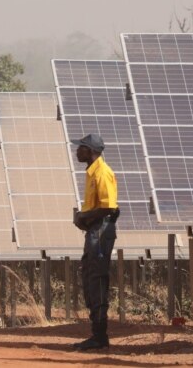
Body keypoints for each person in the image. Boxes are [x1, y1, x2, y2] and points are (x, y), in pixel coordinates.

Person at [70, 133, 119, 351]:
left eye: (81, 147)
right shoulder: (92, 172)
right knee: (90, 276)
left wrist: (85, 217)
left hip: (101, 231)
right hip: (94, 230)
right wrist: (84, 219)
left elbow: (109, 207)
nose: (77, 151)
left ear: (90, 151)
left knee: (96, 278)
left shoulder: (102, 172)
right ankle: (97, 334)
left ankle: (100, 336)